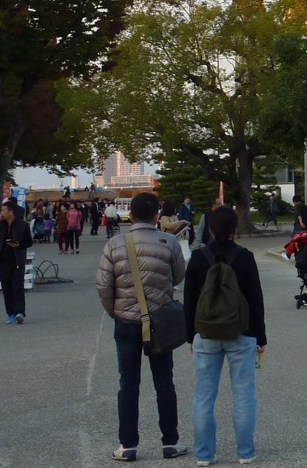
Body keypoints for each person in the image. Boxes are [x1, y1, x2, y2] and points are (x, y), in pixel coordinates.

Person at [95, 190, 188, 462]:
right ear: (157, 215)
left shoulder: (114, 244)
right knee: (164, 382)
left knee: (128, 383)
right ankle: (170, 442)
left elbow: (103, 284)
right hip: (159, 321)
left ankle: (128, 445)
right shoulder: (169, 241)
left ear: (130, 215)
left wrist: (115, 311)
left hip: (126, 322)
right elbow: (178, 275)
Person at [184, 205, 266, 468]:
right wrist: (260, 336)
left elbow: (189, 301)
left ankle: (204, 455)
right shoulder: (245, 257)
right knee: (243, 395)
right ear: (234, 229)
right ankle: (245, 452)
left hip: (206, 334)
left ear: (209, 228)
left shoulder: (198, 258)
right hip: (241, 333)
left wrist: (190, 336)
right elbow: (256, 299)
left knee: (204, 395)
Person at [0, 200, 33, 324]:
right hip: (3, 260)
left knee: (17, 287)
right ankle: (10, 313)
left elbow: (29, 242)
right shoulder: (0, 225)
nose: (1, 213)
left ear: (11, 212)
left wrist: (18, 245)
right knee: (6, 288)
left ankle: (20, 312)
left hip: (17, 260)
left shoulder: (22, 225)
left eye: (4, 210)